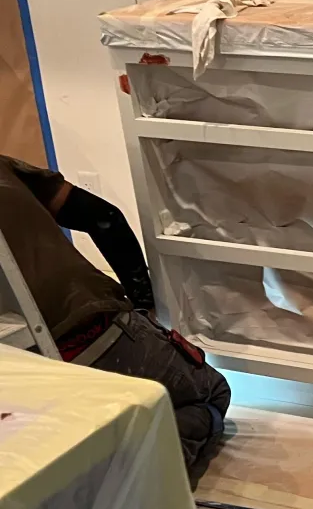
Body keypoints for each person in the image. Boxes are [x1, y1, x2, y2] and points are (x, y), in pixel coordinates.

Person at [0, 155, 230, 478]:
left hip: (19, 373)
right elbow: (103, 217)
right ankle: (140, 483)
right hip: (88, 331)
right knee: (211, 392)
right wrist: (145, 308)